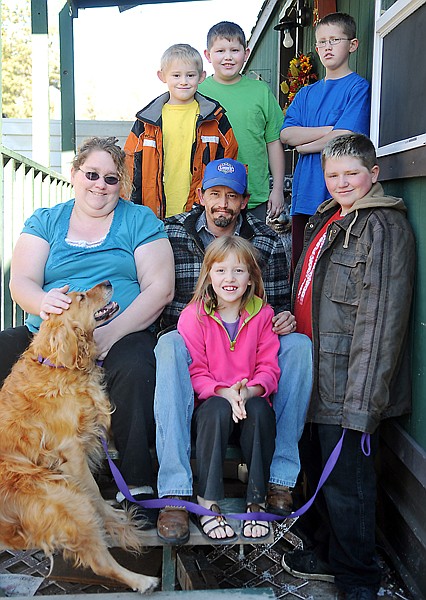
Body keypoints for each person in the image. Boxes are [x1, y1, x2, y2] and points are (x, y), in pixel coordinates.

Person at [0, 136, 175, 529]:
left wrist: (110, 336)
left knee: (135, 366)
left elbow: (160, 288)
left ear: (122, 184)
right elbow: (22, 280)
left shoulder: (139, 220)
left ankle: (138, 483)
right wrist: (43, 302)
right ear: (75, 174)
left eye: (111, 179)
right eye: (91, 174)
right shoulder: (47, 220)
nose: (100, 185)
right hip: (50, 337)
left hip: (120, 329)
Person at [281, 134, 415, 600]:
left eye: (351, 174)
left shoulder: (380, 227)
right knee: (317, 472)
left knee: (347, 486)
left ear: (373, 175)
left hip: (348, 382)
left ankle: (359, 578)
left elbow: (380, 320)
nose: (341, 183)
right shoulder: (330, 218)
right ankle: (323, 552)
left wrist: (362, 405)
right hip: (315, 370)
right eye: (332, 175)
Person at [154, 158, 313, 544]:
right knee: (169, 343)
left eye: (232, 196)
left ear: (244, 201)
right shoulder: (171, 232)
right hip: (188, 340)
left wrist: (282, 323)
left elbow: (272, 308)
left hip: (246, 343)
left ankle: (279, 479)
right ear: (201, 196)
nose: (222, 203)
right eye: (215, 194)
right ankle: (175, 490)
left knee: (299, 347)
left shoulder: (266, 240)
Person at [178, 236, 280, 541]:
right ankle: (208, 502)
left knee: (262, 409)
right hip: (213, 406)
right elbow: (196, 372)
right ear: (209, 275)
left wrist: (248, 393)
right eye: (221, 271)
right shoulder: (194, 317)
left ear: (251, 278)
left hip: (250, 401)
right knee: (216, 410)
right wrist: (225, 392)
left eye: (238, 271)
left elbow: (269, 367)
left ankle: (256, 500)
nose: (230, 279)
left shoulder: (263, 315)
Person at [280, 12, 371, 272]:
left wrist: (305, 145)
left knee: (330, 270)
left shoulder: (357, 87)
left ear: (352, 45)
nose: (326, 47)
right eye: (321, 42)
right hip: (305, 193)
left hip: (338, 195)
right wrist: (330, 129)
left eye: (334, 40)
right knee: (301, 268)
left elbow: (346, 136)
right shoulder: (306, 93)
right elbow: (287, 135)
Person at [124, 43, 238, 219]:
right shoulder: (146, 121)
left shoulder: (215, 118)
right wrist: (127, 206)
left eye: (190, 75)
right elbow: (128, 165)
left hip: (199, 212)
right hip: (152, 213)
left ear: (201, 77)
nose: (183, 81)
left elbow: (229, 162)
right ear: (162, 76)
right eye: (176, 75)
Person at [199, 21, 285, 222]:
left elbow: (273, 142)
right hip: (211, 197)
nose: (228, 57)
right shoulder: (198, 93)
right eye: (220, 50)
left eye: (234, 50)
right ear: (208, 55)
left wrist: (278, 189)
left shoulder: (260, 92)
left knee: (252, 252)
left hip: (254, 195)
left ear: (246, 54)